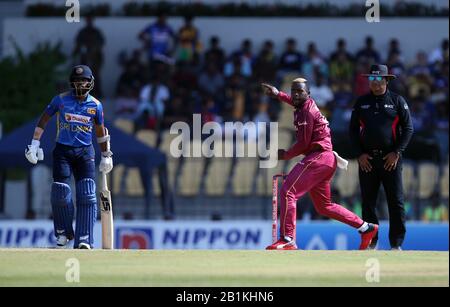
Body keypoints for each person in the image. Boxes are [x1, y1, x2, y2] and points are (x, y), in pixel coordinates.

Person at [261, 79, 378, 250]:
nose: (295, 94)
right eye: (293, 91)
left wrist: (285, 155)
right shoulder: (305, 104)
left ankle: (288, 238)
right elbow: (293, 101)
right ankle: (366, 228)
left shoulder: (306, 112)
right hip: (326, 159)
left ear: (308, 94)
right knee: (324, 206)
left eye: (299, 91)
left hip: (319, 157)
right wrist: (278, 94)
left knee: (288, 191)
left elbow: (303, 144)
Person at [25, 65, 113, 249]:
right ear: (72, 82)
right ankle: (64, 232)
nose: (81, 84)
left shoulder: (95, 105)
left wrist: (106, 155)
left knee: (87, 193)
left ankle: (84, 238)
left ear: (90, 83)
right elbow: (44, 120)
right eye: (77, 80)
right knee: (60, 192)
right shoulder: (61, 100)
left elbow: (100, 131)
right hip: (63, 151)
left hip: (85, 152)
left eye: (84, 80)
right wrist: (34, 143)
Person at [349, 64, 414, 250]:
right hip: (367, 160)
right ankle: (372, 241)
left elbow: (408, 129)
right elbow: (352, 131)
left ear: (387, 80)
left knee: (396, 201)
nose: (375, 83)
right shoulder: (361, 102)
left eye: (379, 80)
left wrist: (397, 152)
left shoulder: (397, 101)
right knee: (368, 202)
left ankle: (396, 244)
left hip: (391, 160)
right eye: (372, 79)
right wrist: (359, 154)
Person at [73, 16, 105, 97]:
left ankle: (97, 92)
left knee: (96, 75)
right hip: (85, 58)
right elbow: (78, 43)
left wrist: (94, 50)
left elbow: (101, 43)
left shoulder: (96, 32)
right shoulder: (82, 32)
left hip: (95, 58)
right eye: (88, 20)